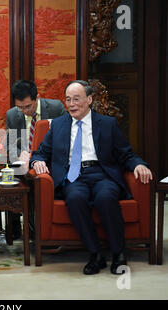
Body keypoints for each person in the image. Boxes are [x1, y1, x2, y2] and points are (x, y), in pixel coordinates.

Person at [30, 80, 153, 275]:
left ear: (89, 100)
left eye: (76, 99)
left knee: (106, 197)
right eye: (68, 99)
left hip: (101, 174)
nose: (71, 104)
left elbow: (126, 153)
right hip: (73, 176)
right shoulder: (59, 125)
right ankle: (96, 254)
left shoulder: (107, 124)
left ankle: (119, 253)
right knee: (75, 198)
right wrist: (36, 162)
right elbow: (40, 152)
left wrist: (139, 164)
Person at [6, 80, 66, 239]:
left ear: (37, 98)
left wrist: (37, 157)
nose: (24, 111)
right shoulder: (12, 115)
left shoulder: (55, 108)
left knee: (39, 179)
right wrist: (20, 154)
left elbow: (65, 139)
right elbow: (10, 145)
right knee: (10, 176)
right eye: (20, 107)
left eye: (28, 106)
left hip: (48, 160)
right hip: (23, 162)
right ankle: (15, 225)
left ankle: (35, 228)